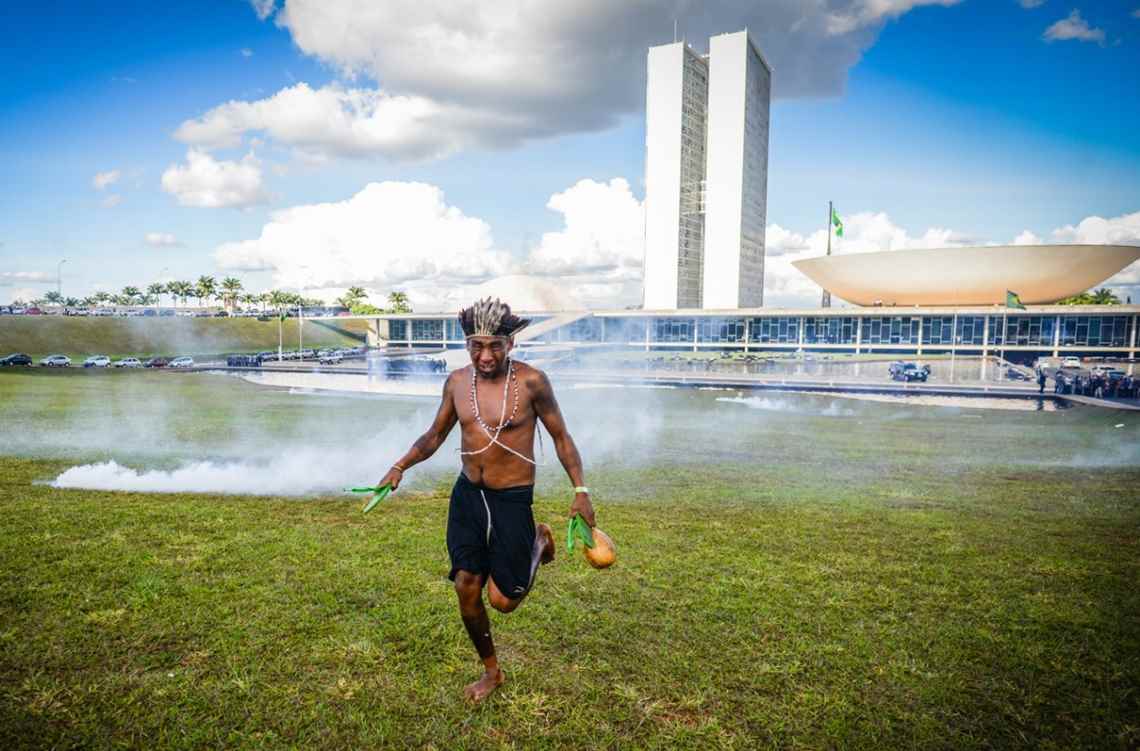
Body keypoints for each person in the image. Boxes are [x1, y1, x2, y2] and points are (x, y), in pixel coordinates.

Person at [375, 297, 596, 703]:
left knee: (503, 601)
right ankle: (492, 672)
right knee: (466, 585)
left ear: (511, 343)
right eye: (476, 346)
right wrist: (399, 465)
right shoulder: (457, 382)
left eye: (495, 345)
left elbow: (562, 437)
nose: (486, 355)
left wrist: (580, 491)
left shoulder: (532, 382)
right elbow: (435, 435)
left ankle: (538, 542)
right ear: (467, 345)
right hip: (468, 497)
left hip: (511, 499)